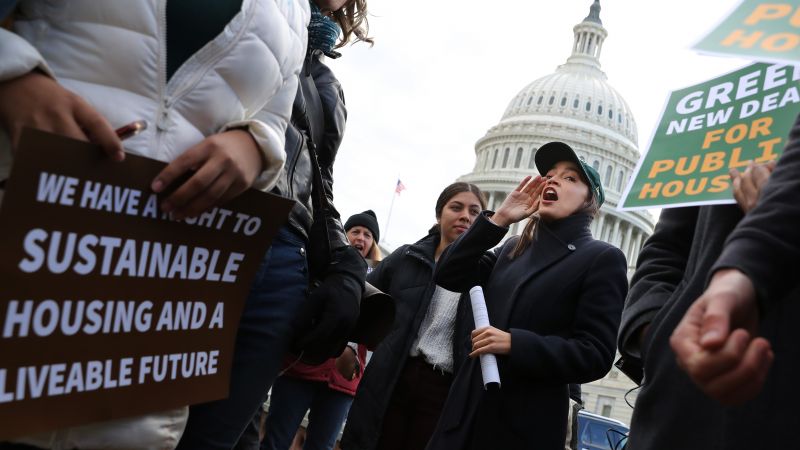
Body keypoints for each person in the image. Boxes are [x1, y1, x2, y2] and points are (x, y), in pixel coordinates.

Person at [0, 1, 309, 448]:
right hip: (22, 228)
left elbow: (274, 117)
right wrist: (14, 79)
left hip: (156, 296)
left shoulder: (293, 9)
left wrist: (253, 147)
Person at [177, 1, 372, 448]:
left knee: (215, 438)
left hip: (285, 261)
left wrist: (346, 266)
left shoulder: (327, 83)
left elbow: (317, 187)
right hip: (210, 227)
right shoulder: (247, 14)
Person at [426, 142, 628, 450]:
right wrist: (499, 220)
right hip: (463, 418)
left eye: (570, 178)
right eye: (550, 174)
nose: (553, 180)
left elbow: (595, 354)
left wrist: (514, 343)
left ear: (591, 201)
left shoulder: (602, 258)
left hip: (520, 429)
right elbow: (449, 273)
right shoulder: (511, 248)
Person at [618, 114, 798, 450]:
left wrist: (779, 214)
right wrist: (655, 332)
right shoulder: (735, 109)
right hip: (680, 402)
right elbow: (666, 249)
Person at [340, 182, 486, 450]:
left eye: (475, 211)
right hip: (393, 375)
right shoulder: (406, 257)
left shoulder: (487, 272)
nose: (465, 215)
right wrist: (349, 345)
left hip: (442, 388)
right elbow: (362, 300)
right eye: (456, 207)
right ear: (439, 214)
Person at [260, 210, 380, 450]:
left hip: (342, 383)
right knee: (276, 441)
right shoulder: (320, 262)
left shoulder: (379, 278)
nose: (361, 238)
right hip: (301, 368)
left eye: (368, 234)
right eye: (355, 231)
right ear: (343, 236)